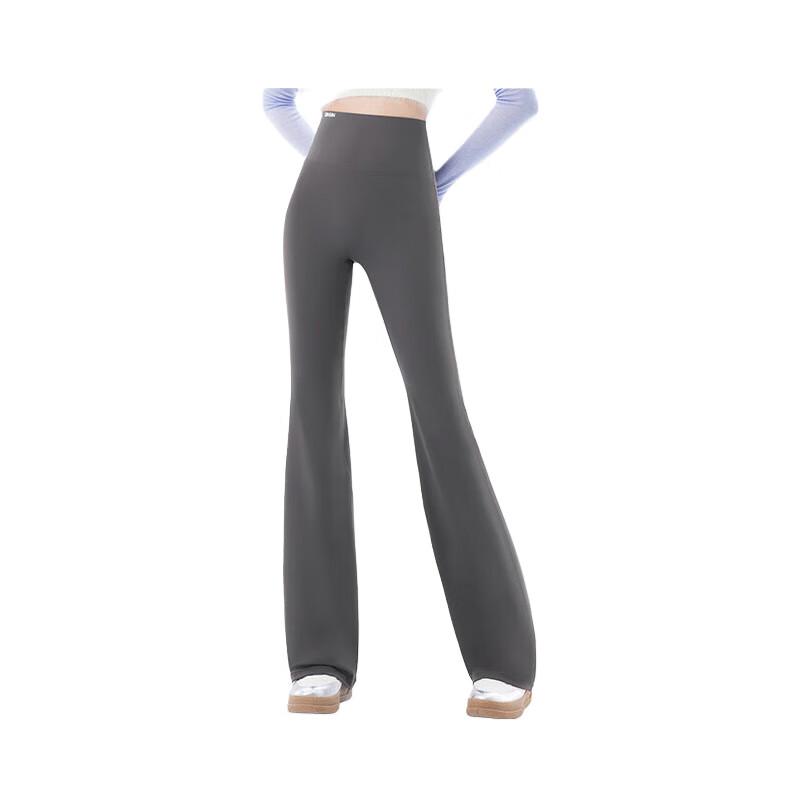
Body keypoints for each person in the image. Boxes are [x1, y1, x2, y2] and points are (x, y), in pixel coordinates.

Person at [263, 88, 539, 718]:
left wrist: (436, 180)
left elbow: (519, 99)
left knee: (438, 406)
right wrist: (330, 163)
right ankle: (319, 660)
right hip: (315, 202)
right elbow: (275, 98)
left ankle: (502, 661)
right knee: (312, 409)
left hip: (402, 197)